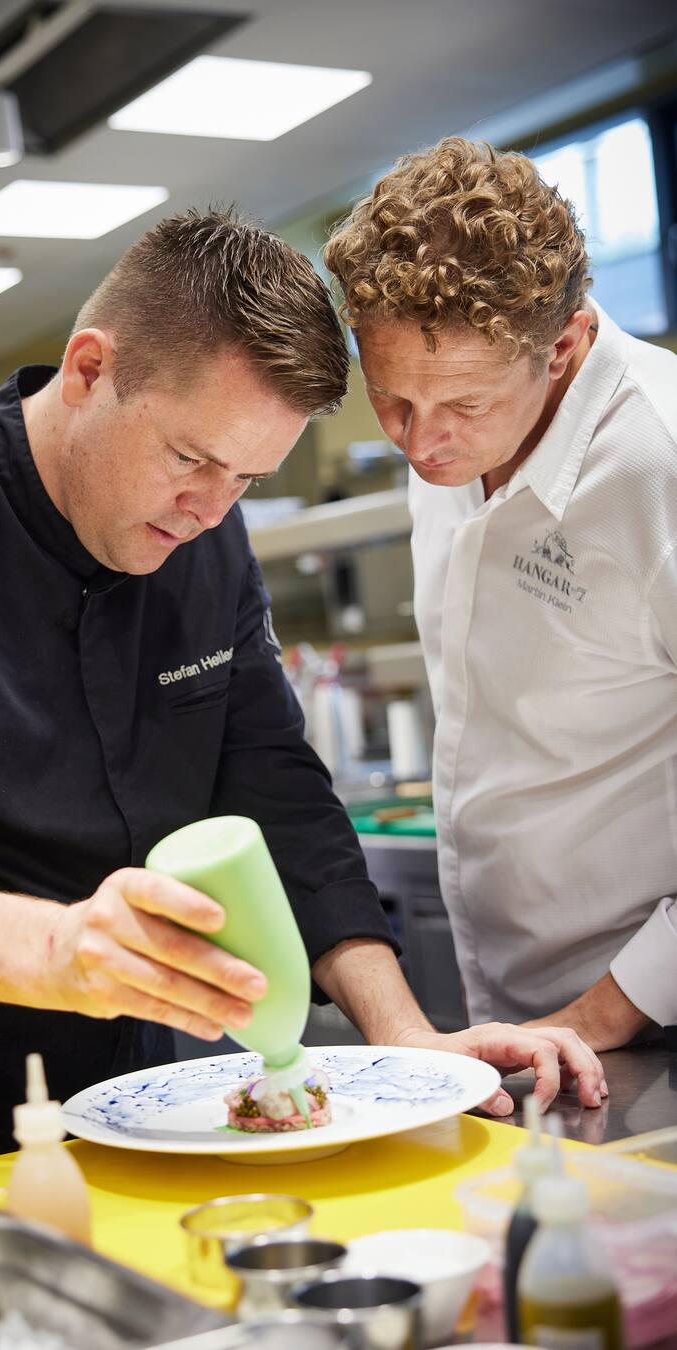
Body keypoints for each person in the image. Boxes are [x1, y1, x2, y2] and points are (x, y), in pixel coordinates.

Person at [0, 209, 603, 1199]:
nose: (213, 509)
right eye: (192, 459)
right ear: (89, 369)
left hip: (137, 1123)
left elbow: (279, 793)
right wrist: (58, 949)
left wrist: (407, 1044)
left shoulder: (206, 540)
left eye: (247, 478)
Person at [325, 138, 677, 1051]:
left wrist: (605, 1014)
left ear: (561, 348)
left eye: (463, 407)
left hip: (647, 1024)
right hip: (521, 1017)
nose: (420, 442)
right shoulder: (443, 433)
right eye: (391, 399)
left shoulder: (660, 464)